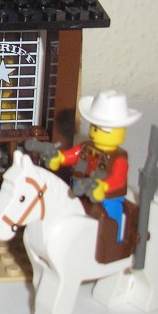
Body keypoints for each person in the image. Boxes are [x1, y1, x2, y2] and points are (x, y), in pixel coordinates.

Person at [48, 89, 142, 241]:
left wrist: (102, 186)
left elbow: (117, 180)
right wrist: (60, 157)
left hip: (107, 197)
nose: (96, 132)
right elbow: (73, 155)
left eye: (103, 129)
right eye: (94, 127)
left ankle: (112, 243)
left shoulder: (118, 158)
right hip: (79, 188)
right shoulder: (86, 146)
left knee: (111, 213)